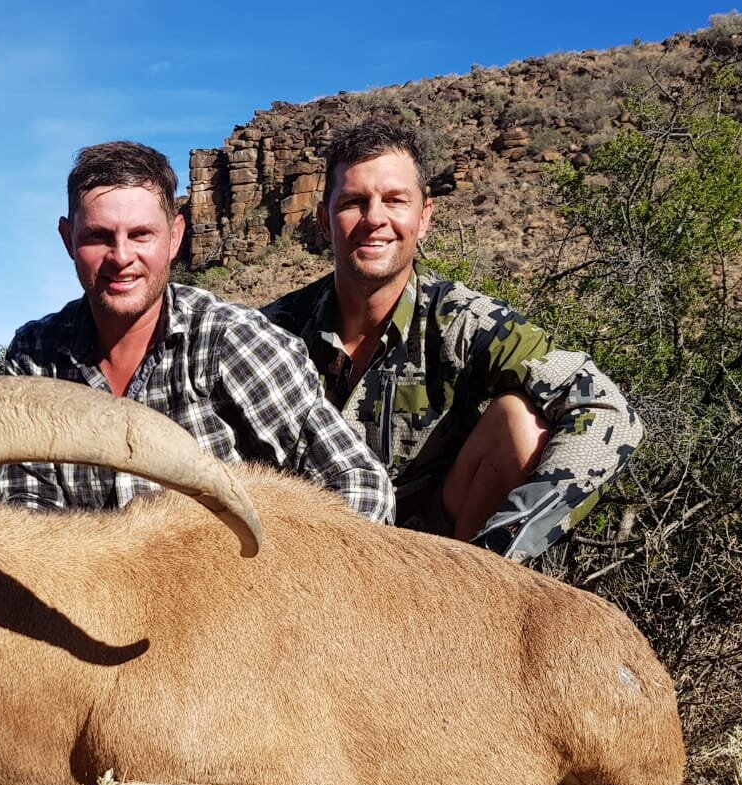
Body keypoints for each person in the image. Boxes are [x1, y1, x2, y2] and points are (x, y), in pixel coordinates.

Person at [262, 118, 642, 561]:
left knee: (520, 422)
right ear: (325, 223)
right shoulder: (272, 332)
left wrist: (503, 541)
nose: (375, 219)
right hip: (306, 556)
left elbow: (608, 409)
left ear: (424, 219)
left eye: (395, 200)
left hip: (435, 559)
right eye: (352, 202)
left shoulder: (464, 321)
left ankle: (483, 594)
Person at [0, 140, 393, 523]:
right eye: (97, 236)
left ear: (174, 237)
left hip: (238, 587)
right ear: (69, 239)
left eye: (141, 235)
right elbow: (27, 517)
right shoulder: (35, 357)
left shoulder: (230, 340)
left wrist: (297, 587)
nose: (121, 257)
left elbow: (360, 485)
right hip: (86, 586)